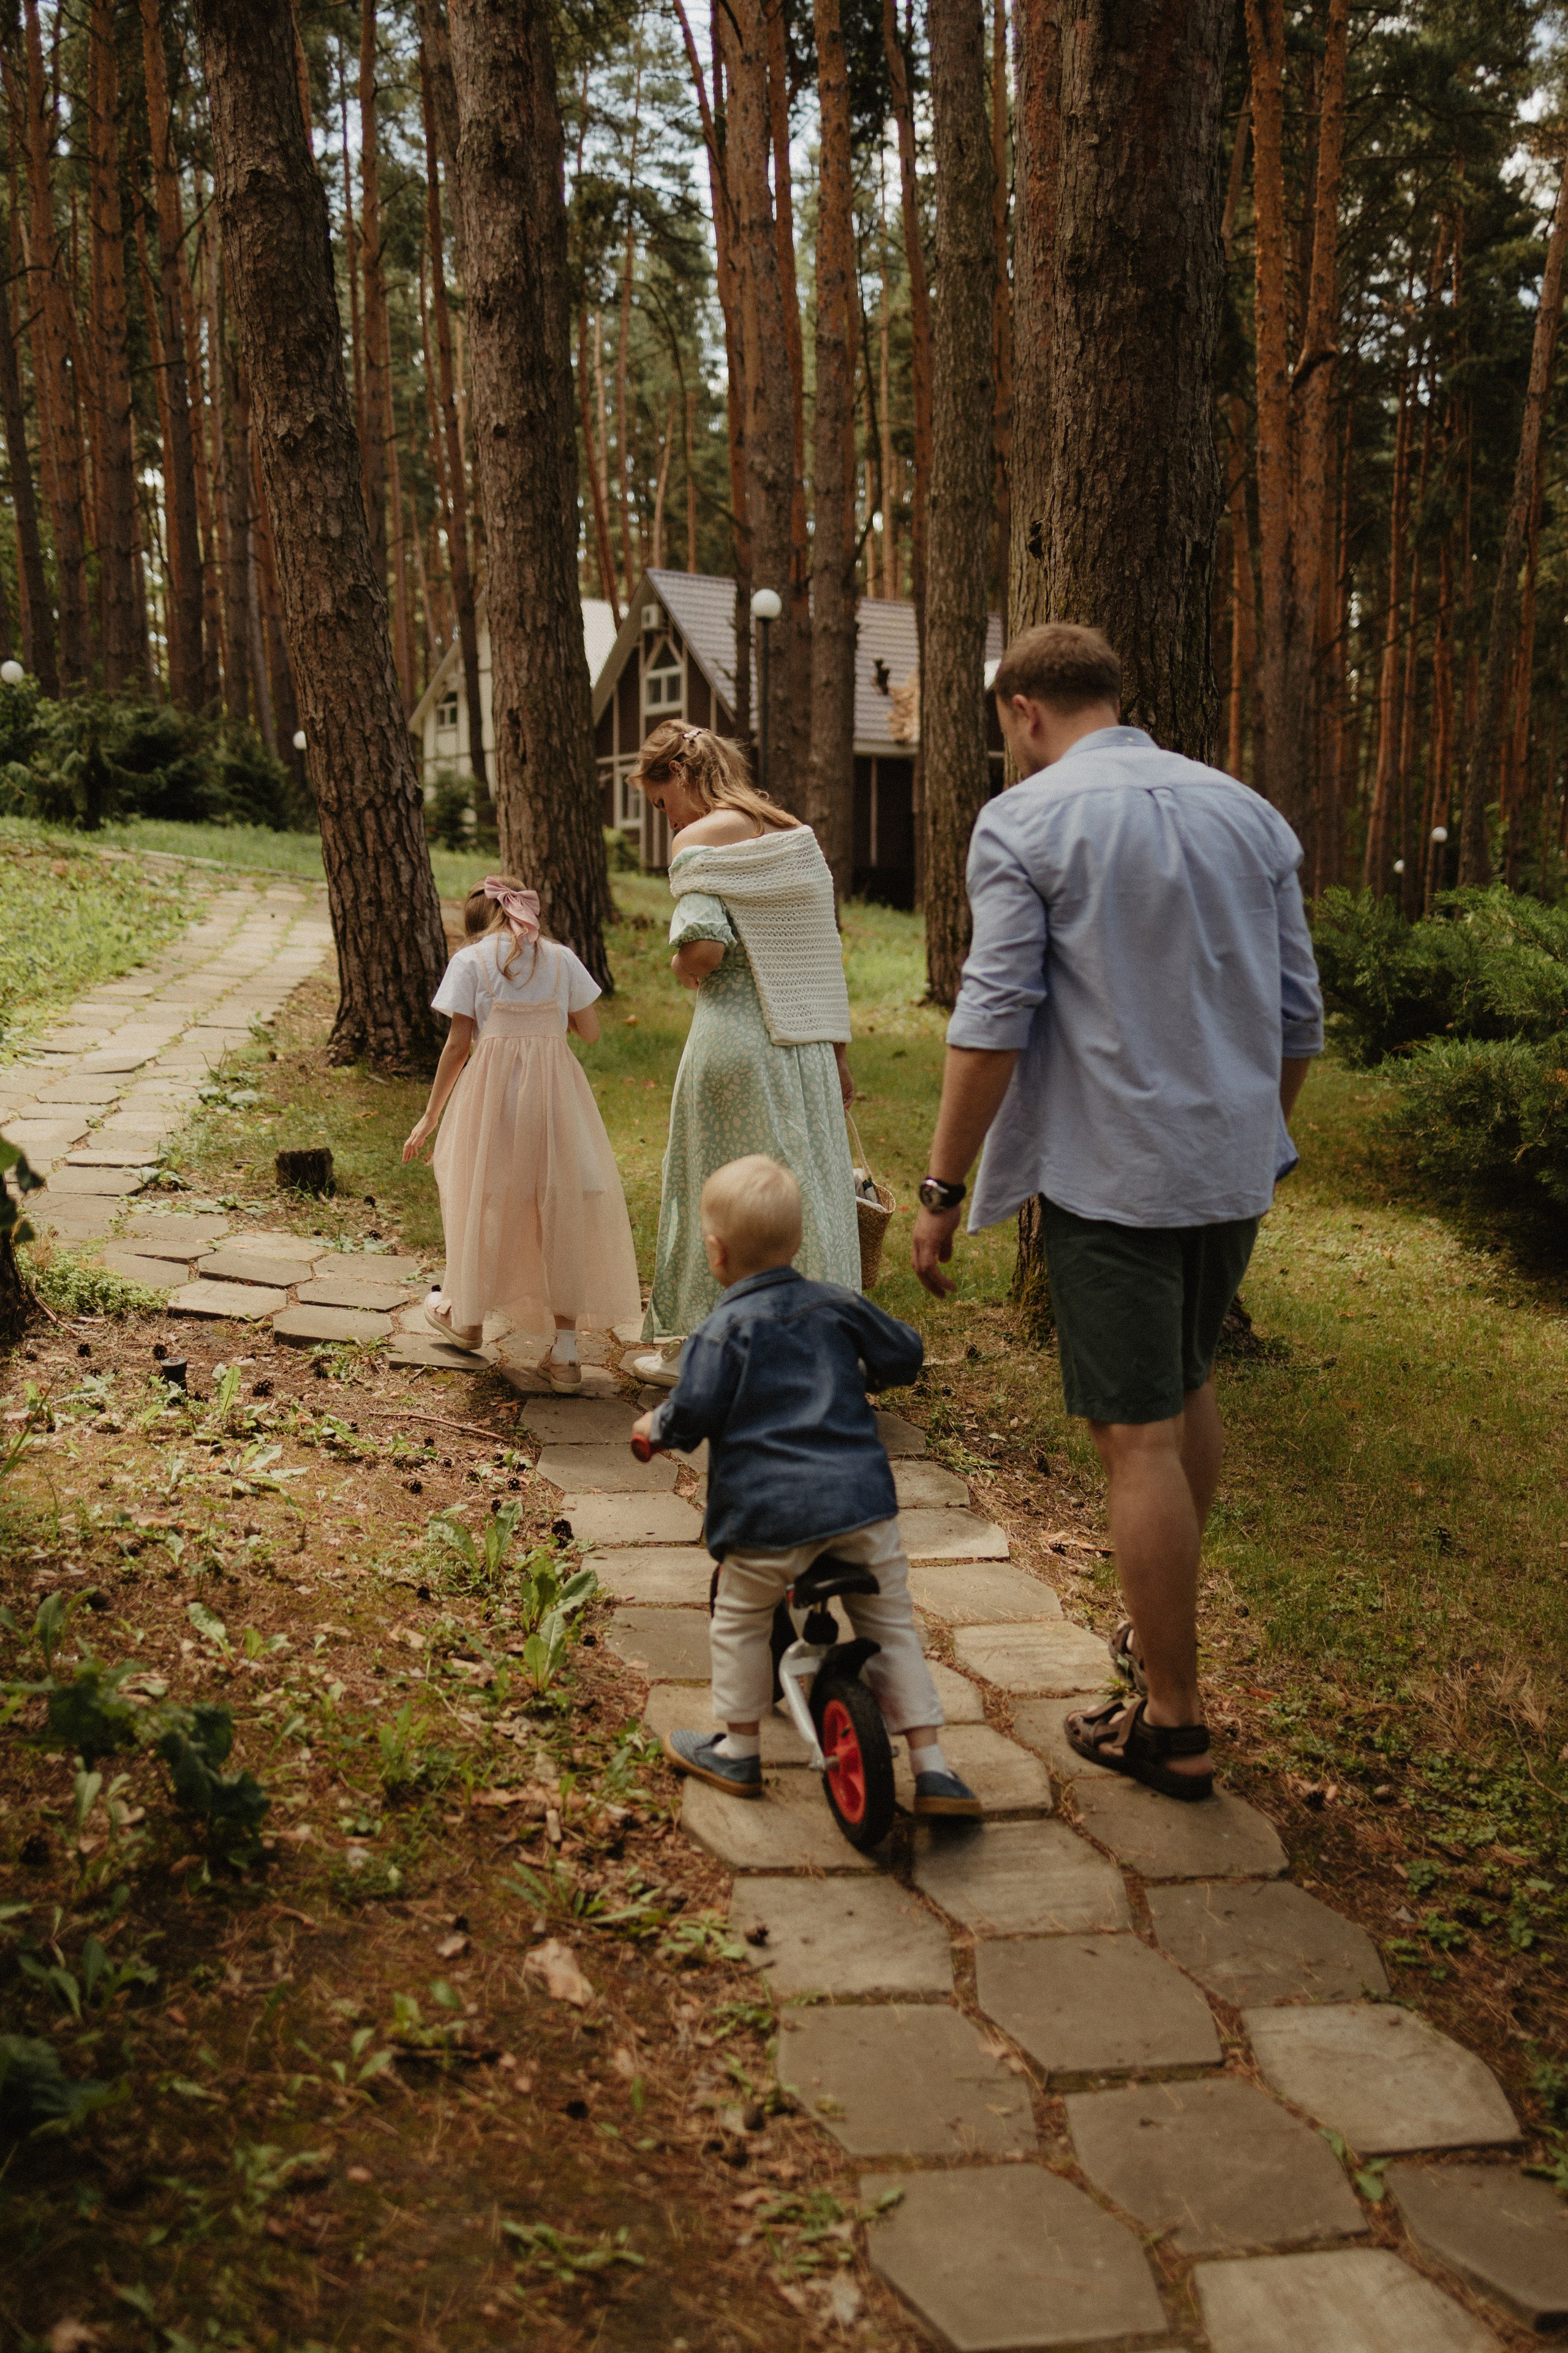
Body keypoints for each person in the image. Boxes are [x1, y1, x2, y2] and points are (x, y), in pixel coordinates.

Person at [911, 623, 1323, 1803]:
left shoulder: (1030, 820)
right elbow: (1301, 1018)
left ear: (1025, 709)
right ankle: (1158, 1640)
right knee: (1186, 1387)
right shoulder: (1249, 815)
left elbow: (992, 1019)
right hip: (1231, 1168)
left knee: (1135, 1436)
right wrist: (1258, 1135)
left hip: (1116, 1178)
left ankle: (1175, 1724)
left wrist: (942, 1189)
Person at [635, 1155, 979, 1818]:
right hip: (861, 1510)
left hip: (767, 1520)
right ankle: (934, 1767)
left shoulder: (719, 1331)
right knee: (893, 1627)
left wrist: (656, 1427)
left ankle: (736, 1749)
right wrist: (865, 1367)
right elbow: (904, 1353)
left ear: (716, 1251)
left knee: (738, 1617)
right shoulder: (838, 1303)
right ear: (797, 1244)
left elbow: (695, 1410)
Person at [625, 720, 861, 1389]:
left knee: (716, 1189)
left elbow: (704, 949)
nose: (663, 816)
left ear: (679, 775)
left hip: (736, 1038)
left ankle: (701, 1351)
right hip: (809, 1044)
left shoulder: (696, 841)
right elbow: (822, 952)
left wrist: (677, 964)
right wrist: (839, 1054)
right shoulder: (794, 834)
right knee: (804, 1197)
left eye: (659, 799)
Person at [402, 874, 641, 1391]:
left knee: (481, 1197)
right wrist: (554, 1020)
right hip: (556, 1102)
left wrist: (431, 1114)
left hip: (494, 1105)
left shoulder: (470, 962)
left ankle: (466, 1318)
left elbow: (457, 1047)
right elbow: (593, 1031)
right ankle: (568, 1353)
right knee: (558, 1207)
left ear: (478, 923)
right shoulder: (561, 959)